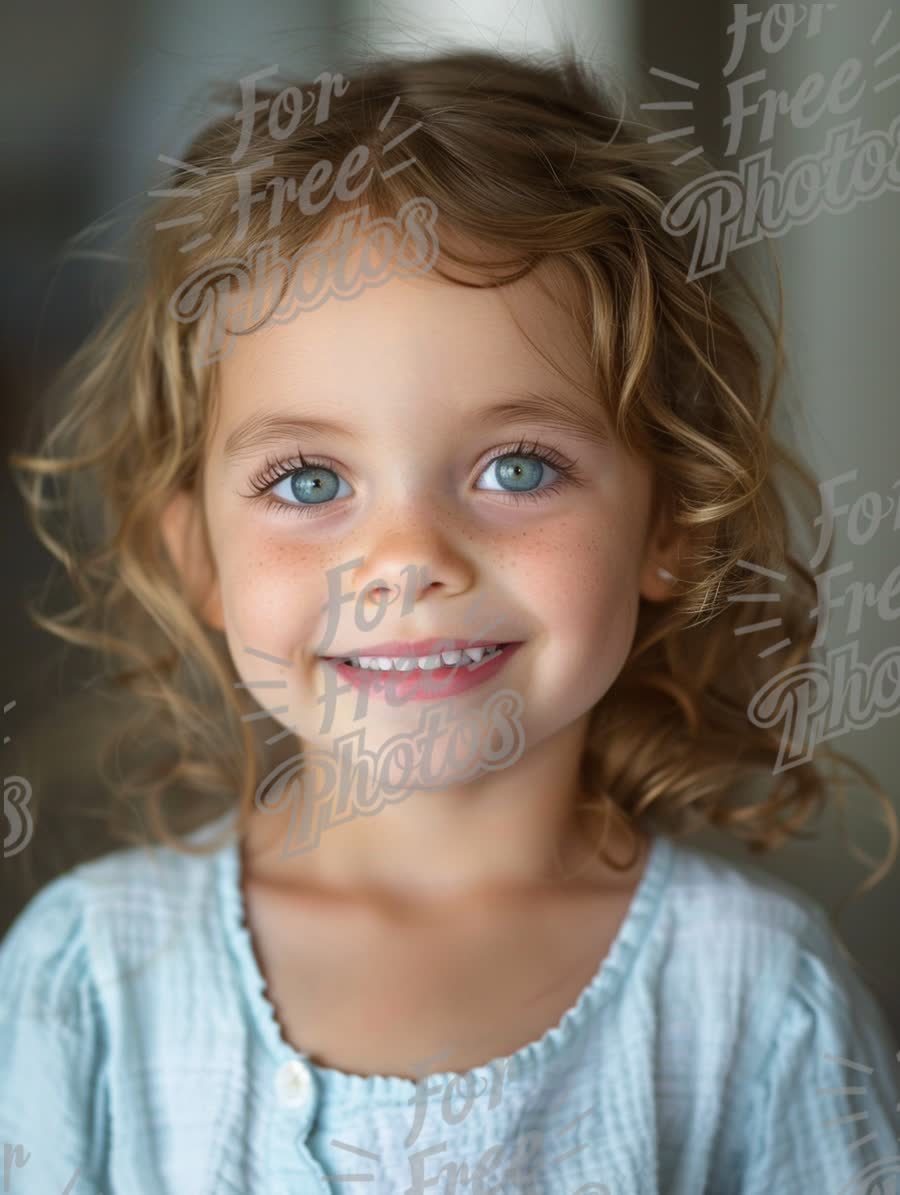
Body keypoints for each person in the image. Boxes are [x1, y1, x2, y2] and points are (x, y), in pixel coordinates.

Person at [3, 45, 898, 1195]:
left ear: (672, 520)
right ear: (200, 561)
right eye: (311, 482)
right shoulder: (87, 980)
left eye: (517, 466)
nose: (409, 561)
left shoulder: (755, 998)